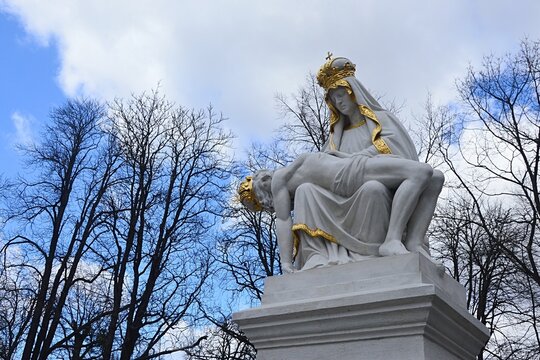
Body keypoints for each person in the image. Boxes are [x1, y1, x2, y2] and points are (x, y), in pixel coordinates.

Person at [238, 151, 439, 273]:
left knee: (435, 178)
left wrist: (371, 156)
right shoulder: (282, 179)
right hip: (349, 178)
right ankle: (391, 240)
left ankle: (413, 241)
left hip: (355, 166)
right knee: (422, 173)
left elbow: (337, 156)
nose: (264, 177)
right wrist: (285, 262)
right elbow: (282, 220)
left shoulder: (286, 174)